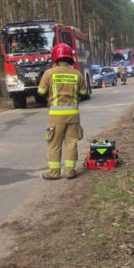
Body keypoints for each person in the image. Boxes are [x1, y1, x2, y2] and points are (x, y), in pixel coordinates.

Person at [37, 42, 87, 179]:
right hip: (73, 117)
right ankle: (70, 172)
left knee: (54, 145)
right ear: (70, 58)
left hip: (56, 117)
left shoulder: (49, 73)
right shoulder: (77, 74)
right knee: (71, 144)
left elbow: (41, 91)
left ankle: (54, 173)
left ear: (56, 58)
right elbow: (83, 92)